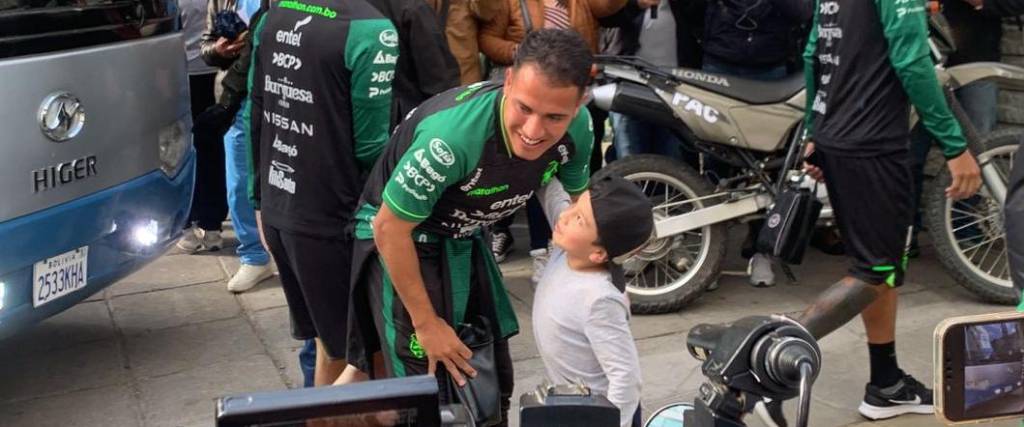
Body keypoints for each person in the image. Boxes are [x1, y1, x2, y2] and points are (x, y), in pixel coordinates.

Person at [345, 29, 595, 423]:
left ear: (580, 104)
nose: (533, 132)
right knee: (427, 387)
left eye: (554, 117)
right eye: (524, 108)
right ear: (507, 80)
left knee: (484, 373)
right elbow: (388, 228)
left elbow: (580, 204)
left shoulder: (581, 128)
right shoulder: (453, 138)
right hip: (404, 235)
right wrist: (426, 325)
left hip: (465, 232)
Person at [797, 0, 982, 420]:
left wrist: (815, 130)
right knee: (874, 271)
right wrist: (955, 146)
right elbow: (913, 62)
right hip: (874, 145)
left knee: (881, 268)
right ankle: (763, 353)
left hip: (839, 139)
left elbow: (815, 54)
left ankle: (886, 384)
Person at [245, 0, 398, 387]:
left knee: (329, 347)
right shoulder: (371, 31)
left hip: (284, 207)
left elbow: (258, 111)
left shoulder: (274, 14)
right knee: (365, 358)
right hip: (336, 219)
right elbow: (370, 146)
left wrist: (259, 202)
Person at [478, 0, 625, 278]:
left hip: (565, 96)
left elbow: (608, 9)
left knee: (547, 174)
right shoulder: (512, 3)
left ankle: (547, 249)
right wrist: (524, 57)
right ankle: (508, 238)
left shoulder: (579, 3)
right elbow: (486, 37)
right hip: (529, 90)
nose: (536, 130)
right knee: (516, 171)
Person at [533, 175, 650, 427]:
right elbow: (555, 199)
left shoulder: (599, 299)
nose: (566, 215)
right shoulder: (570, 247)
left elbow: (626, 377)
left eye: (578, 218)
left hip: (596, 414)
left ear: (598, 253)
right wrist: (538, 166)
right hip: (568, 402)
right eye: (576, 206)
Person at [201, 0, 275, 293]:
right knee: (239, 183)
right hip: (236, 104)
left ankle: (286, 252)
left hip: (280, 97)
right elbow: (205, 46)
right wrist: (217, 51)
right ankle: (254, 255)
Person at [178, 0, 229, 254]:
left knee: (182, 151)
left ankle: (191, 223)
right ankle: (210, 225)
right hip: (209, 73)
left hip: (185, 75)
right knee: (210, 150)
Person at [364, 0, 461, 129]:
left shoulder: (339, 8)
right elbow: (439, 80)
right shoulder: (413, 9)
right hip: (405, 119)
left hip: (355, 116)